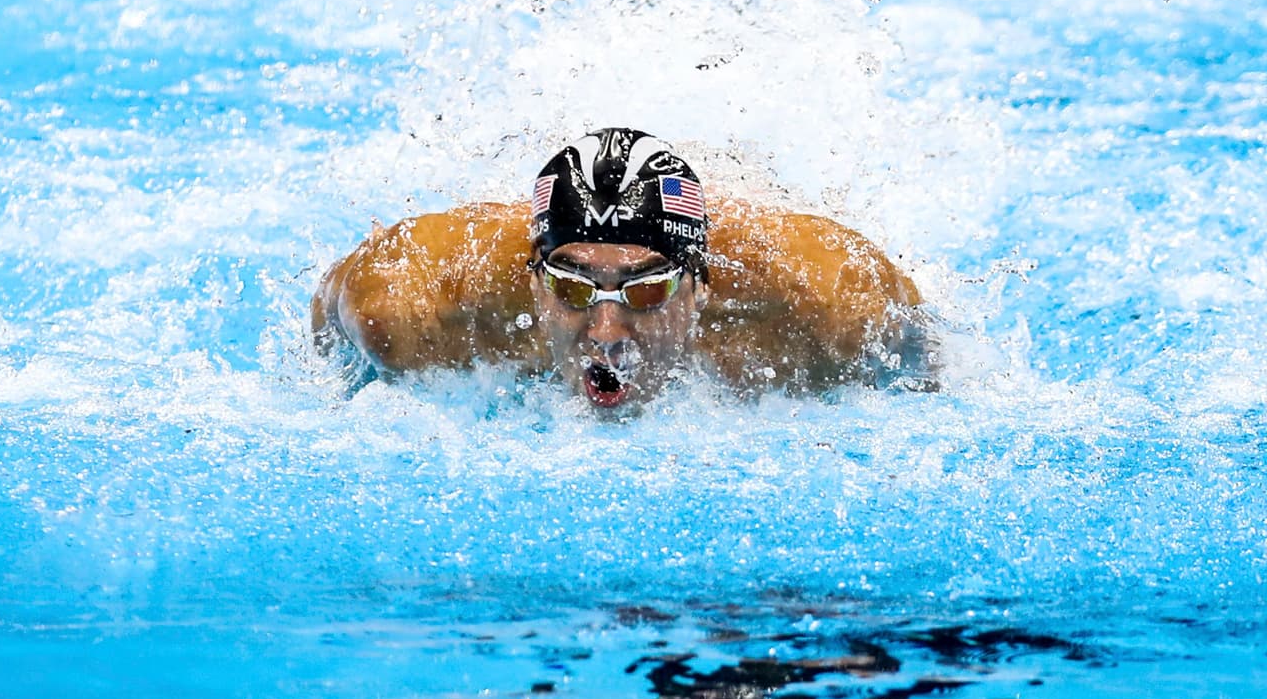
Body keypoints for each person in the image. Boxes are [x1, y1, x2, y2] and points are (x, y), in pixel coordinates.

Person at [311, 128, 933, 408]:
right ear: (533, 279)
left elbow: (927, 360)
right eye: (572, 286)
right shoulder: (412, 307)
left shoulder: (830, 308)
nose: (606, 331)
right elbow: (329, 318)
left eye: (649, 288)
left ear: (699, 286)